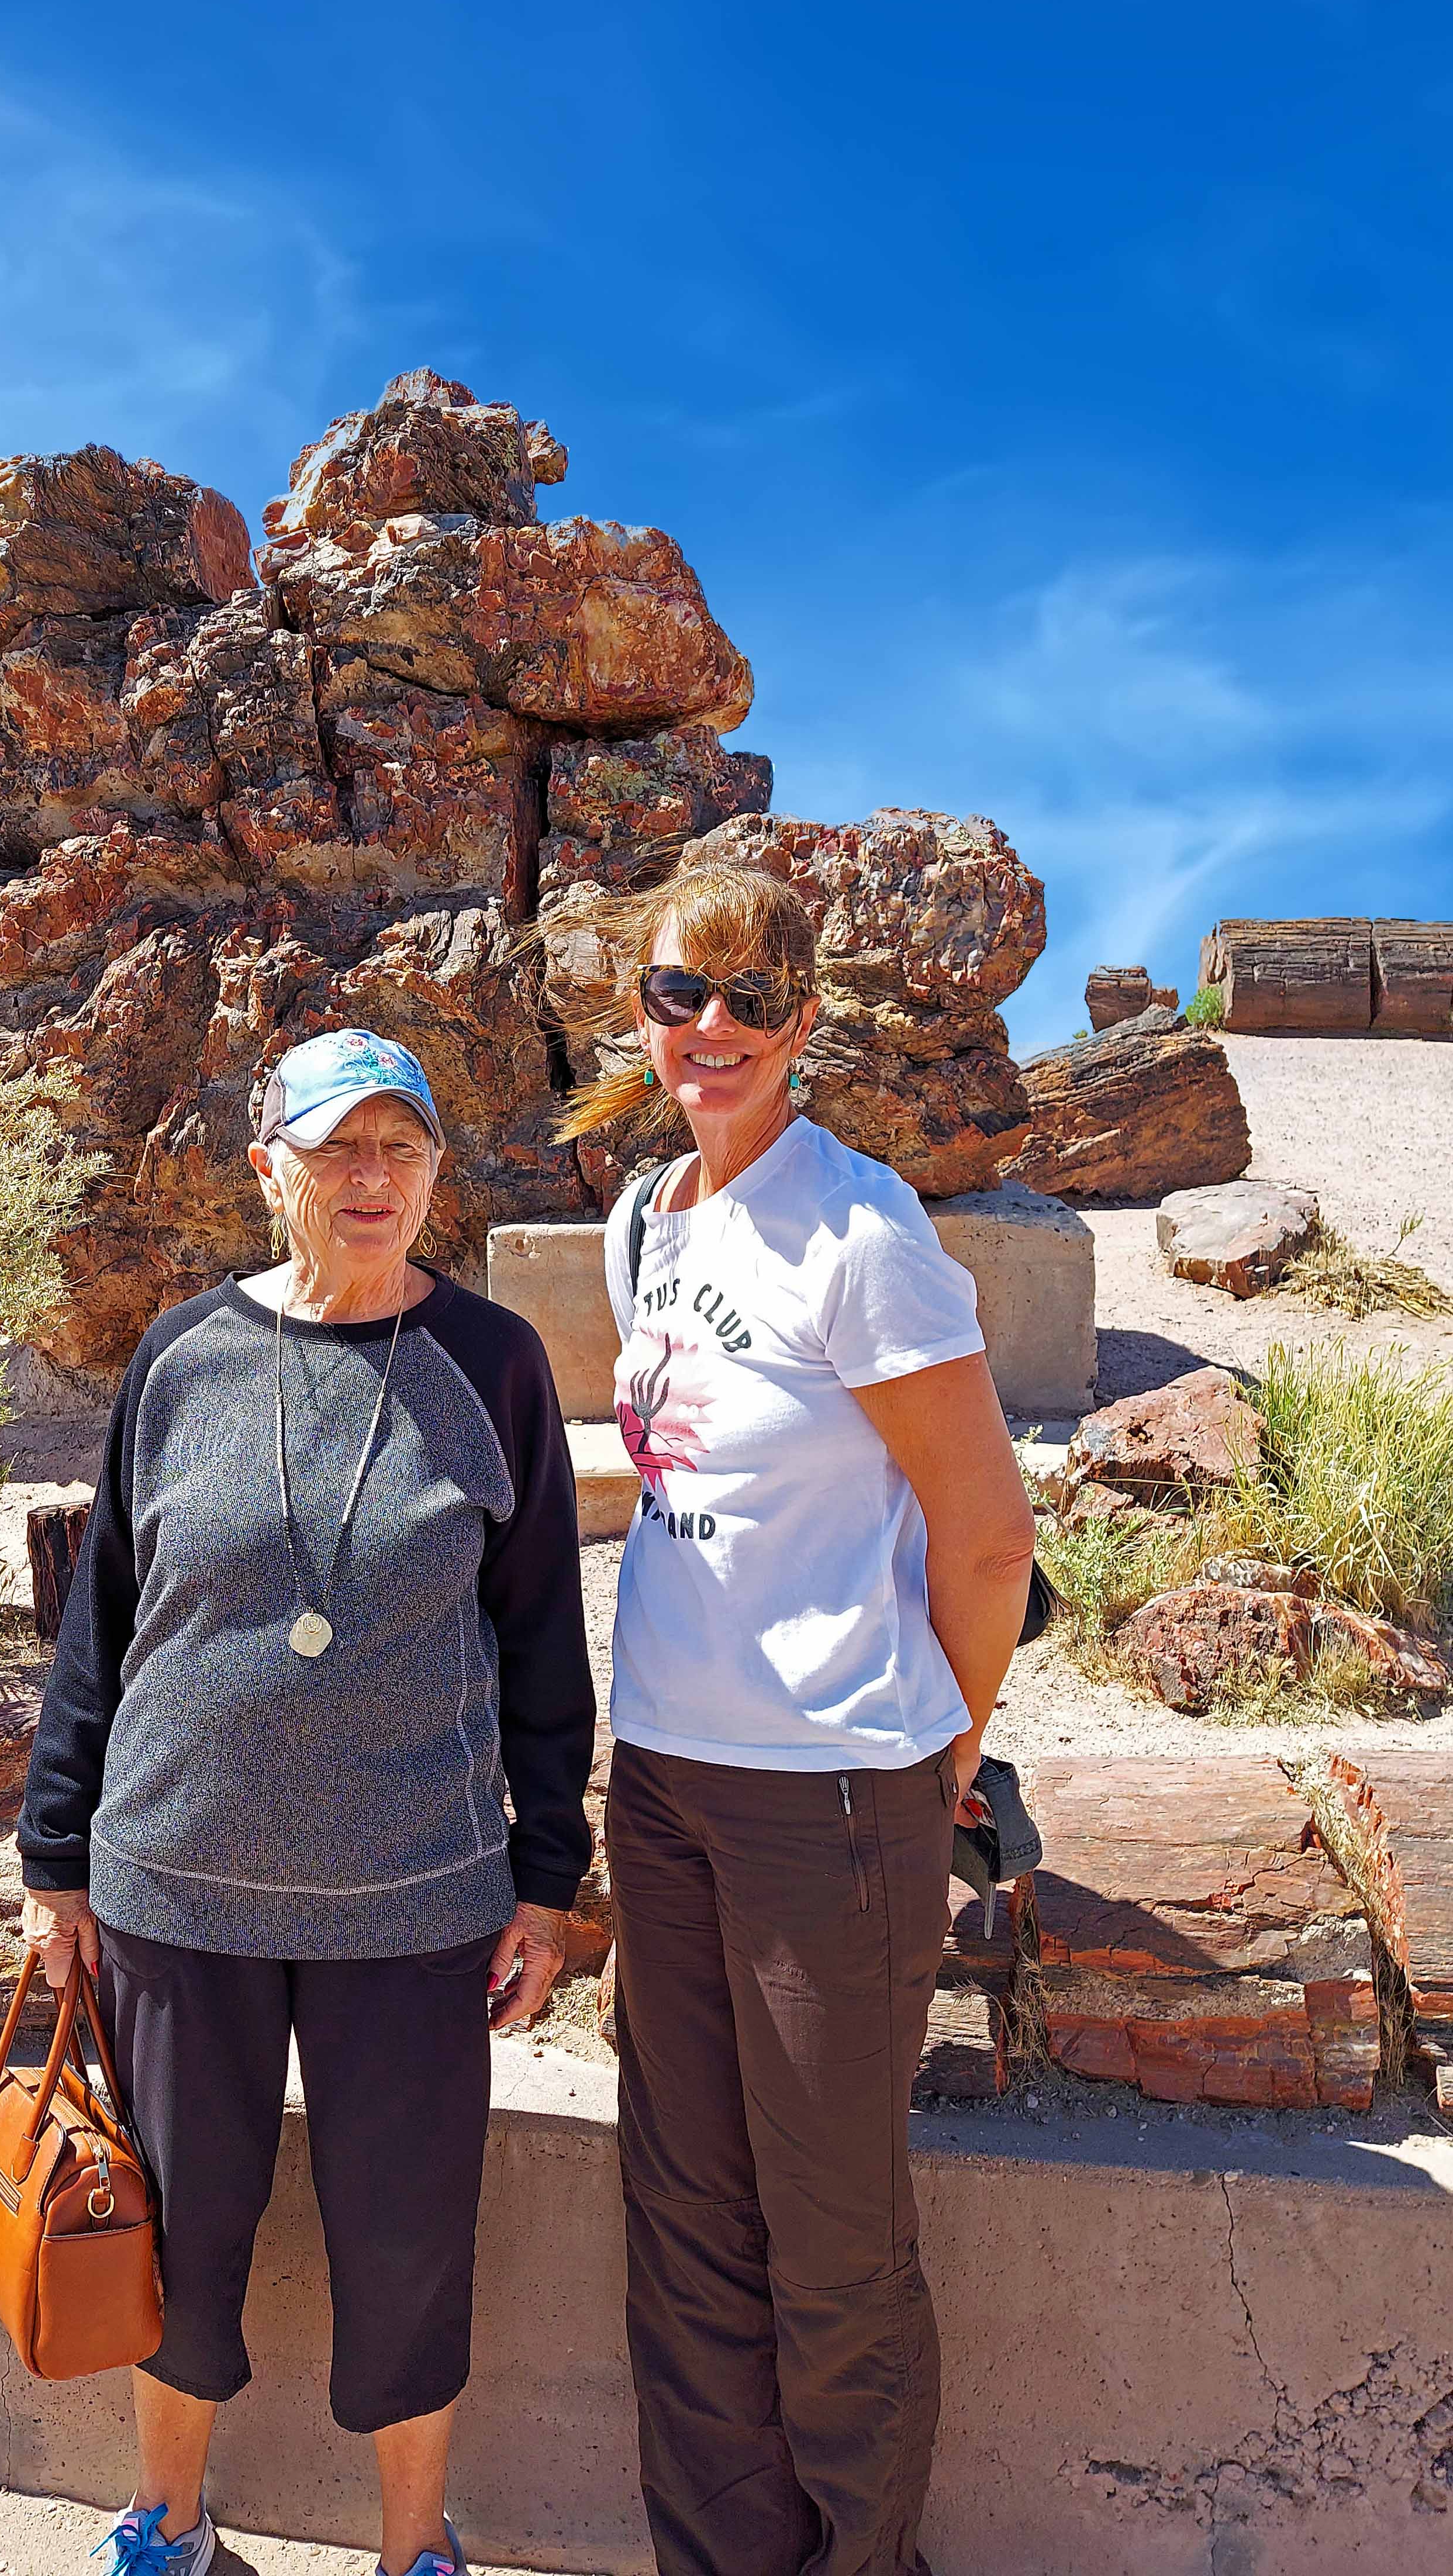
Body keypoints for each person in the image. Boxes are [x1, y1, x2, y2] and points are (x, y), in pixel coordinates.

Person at [16, 1026, 595, 2576]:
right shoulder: (183, 1360)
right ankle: (171, 2527)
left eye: (399, 1148)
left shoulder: (493, 1368)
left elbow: (543, 1640)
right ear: (267, 1169)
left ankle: (415, 2549)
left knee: (406, 2254)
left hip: (411, 1904)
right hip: (171, 1895)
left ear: (432, 1177)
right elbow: (107, 1622)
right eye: (335, 1147)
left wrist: (546, 1885)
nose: (369, 1176)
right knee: (181, 2241)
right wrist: (52, 1856)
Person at [560, 859, 1036, 2576]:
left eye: (754, 999)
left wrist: (946, 1745)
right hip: (668, 1783)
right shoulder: (645, 1215)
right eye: (681, 994)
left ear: (805, 1022)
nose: (714, 1030)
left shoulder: (862, 1233)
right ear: (640, 1007)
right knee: (683, 2222)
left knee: (830, 2245)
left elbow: (986, 1540)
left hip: (832, 1795)